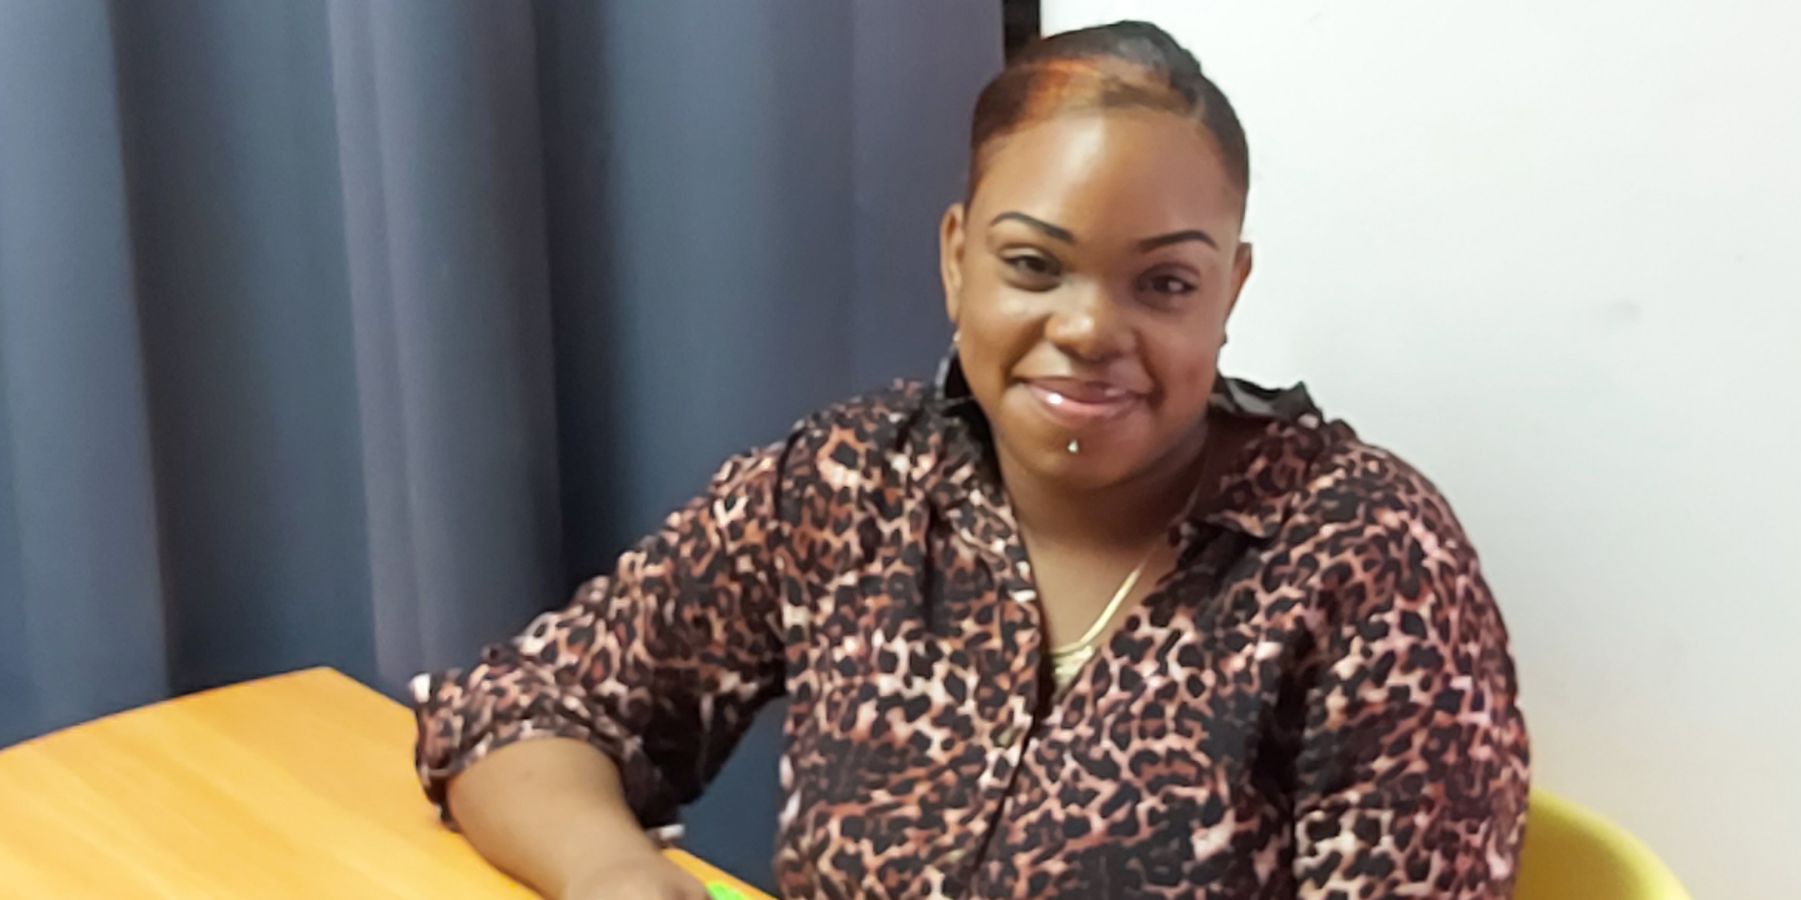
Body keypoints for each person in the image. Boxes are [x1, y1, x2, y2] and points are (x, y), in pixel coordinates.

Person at [413, 20, 1530, 899]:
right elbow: (519, 709)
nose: (1088, 328)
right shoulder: (853, 486)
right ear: (958, 262)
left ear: (1228, 293)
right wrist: (614, 873)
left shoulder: (1368, 563)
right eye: (1034, 266)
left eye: (1163, 284)